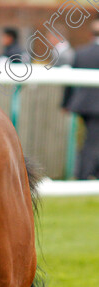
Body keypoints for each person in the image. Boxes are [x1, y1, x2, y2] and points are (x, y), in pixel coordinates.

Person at [63, 18, 99, 180]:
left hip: (82, 105)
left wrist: (66, 103)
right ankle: (83, 176)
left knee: (90, 140)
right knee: (92, 142)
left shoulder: (80, 52)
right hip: (95, 107)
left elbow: (70, 81)